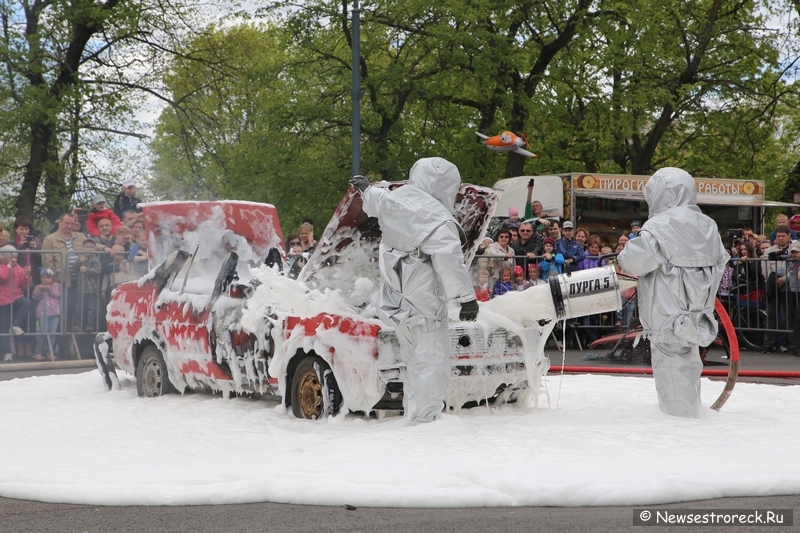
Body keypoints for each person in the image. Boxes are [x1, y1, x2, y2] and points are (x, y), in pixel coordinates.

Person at [350, 157, 478, 425]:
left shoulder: (395, 200)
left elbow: (375, 199)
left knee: (412, 361)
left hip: (397, 298)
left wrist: (365, 187)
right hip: (425, 302)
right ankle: (425, 422)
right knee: (431, 362)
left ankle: (412, 415)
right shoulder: (438, 221)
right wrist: (466, 299)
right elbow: (449, 262)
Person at [618, 167, 728, 418]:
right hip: (698, 316)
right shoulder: (708, 225)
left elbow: (632, 261)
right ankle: (693, 421)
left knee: (672, 381)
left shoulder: (660, 226)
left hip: (668, 317)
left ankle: (682, 435)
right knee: (689, 369)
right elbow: (721, 262)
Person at [41, 213, 87, 334]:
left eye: (72, 223)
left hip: (81, 281)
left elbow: (93, 245)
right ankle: (62, 348)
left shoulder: (81, 236)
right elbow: (47, 263)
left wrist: (105, 248)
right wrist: (55, 280)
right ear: (60, 223)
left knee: (81, 312)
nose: (70, 226)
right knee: (64, 315)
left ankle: (80, 347)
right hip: (62, 283)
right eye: (67, 223)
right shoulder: (49, 239)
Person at [761, 225, 792, 353]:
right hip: (772, 286)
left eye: (783, 236)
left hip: (788, 286)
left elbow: (795, 268)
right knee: (771, 316)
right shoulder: (769, 251)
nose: (780, 238)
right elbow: (764, 265)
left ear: (788, 236)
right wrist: (772, 279)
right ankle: (769, 344)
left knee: (787, 316)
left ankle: (788, 343)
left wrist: (784, 279)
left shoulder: (793, 250)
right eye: (778, 236)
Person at [0, 245, 32, 361]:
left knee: (26, 302)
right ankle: (7, 352)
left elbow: (25, 286)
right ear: (5, 258)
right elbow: (3, 277)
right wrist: (9, 266)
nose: (14, 260)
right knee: (3, 328)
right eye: (11, 257)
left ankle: (16, 325)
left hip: (17, 297)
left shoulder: (19, 269)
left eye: (15, 257)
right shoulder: (2, 268)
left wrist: (27, 275)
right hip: (3, 300)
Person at [31, 268, 61, 361]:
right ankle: (38, 352)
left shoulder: (56, 285)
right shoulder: (38, 287)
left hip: (54, 312)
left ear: (52, 278)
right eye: (43, 278)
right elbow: (35, 297)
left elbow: (57, 294)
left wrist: (48, 289)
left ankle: (49, 352)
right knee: (43, 333)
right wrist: (40, 290)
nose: (46, 280)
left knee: (52, 333)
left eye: (48, 278)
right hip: (43, 313)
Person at [76, 239, 102, 332]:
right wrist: (80, 262)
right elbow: (74, 268)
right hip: (80, 287)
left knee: (91, 308)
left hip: (91, 288)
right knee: (79, 307)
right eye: (87, 247)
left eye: (91, 247)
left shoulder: (95, 258)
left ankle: (90, 325)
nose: (89, 249)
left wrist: (87, 269)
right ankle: (78, 325)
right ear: (82, 248)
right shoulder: (80, 257)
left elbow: (98, 269)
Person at [785, 241, 800, 357]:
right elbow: (773, 256)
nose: (794, 255)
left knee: (798, 319)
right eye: (793, 252)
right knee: (793, 319)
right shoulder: (790, 260)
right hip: (792, 291)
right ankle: (794, 346)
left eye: (797, 252)